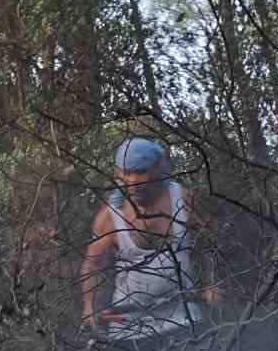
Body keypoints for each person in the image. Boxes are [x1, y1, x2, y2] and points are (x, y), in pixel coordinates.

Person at [81, 136, 218, 339]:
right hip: (130, 329)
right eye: (128, 173)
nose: (134, 180)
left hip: (184, 318)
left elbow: (211, 241)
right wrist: (89, 307)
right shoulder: (110, 218)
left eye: (141, 172)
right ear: (119, 174)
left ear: (157, 169)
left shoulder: (184, 200)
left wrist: (212, 283)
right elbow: (92, 264)